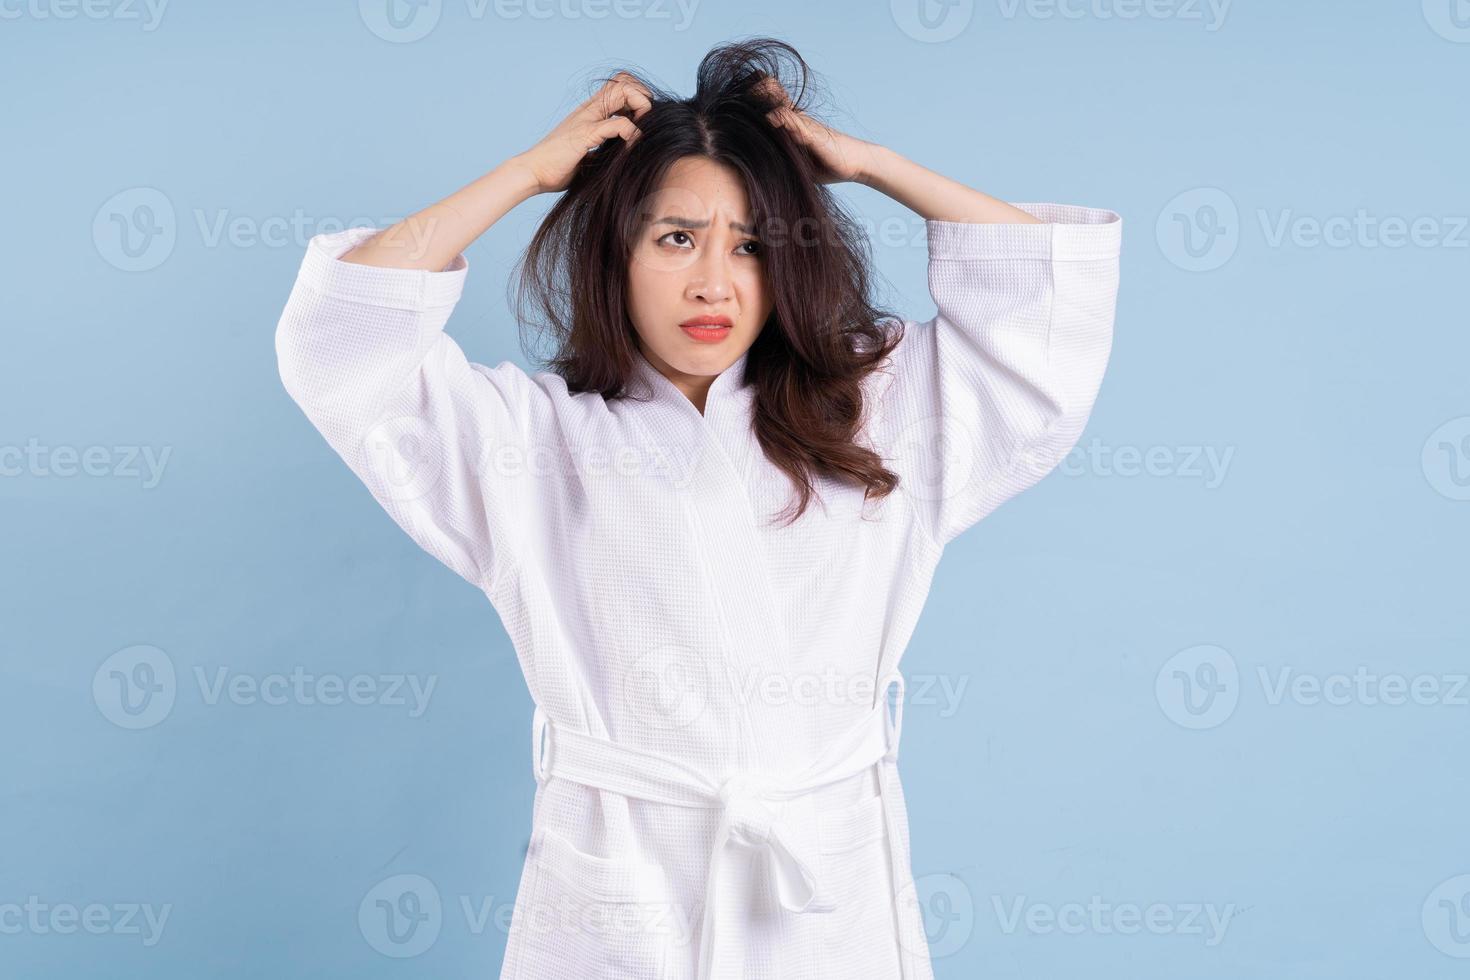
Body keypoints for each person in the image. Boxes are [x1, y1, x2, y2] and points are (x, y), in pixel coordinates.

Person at [274, 36, 1121, 980]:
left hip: (825, 892)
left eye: (751, 245)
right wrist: (524, 173)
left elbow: (1043, 320)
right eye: (676, 238)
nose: (714, 283)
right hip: (616, 892)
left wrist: (869, 165)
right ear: (618, 253)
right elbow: (337, 344)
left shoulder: (875, 417)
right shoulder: (527, 444)